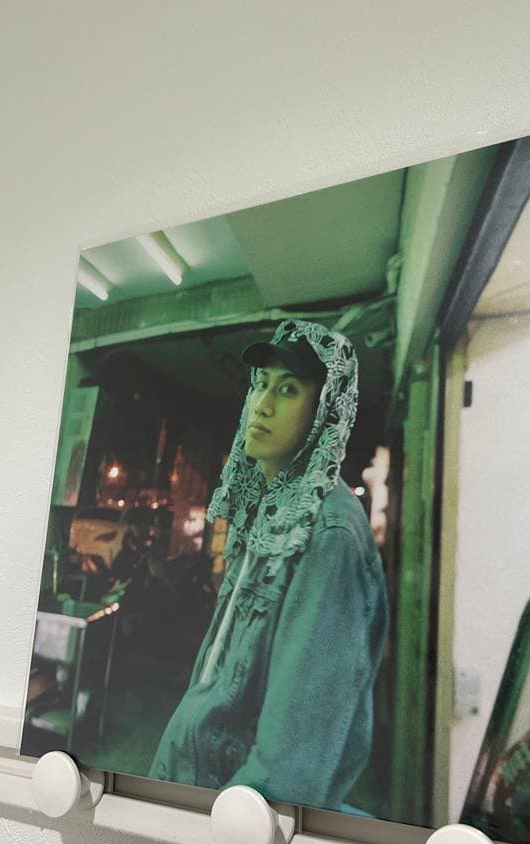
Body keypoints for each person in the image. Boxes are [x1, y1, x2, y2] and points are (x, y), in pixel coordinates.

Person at [147, 318, 389, 811]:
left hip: (232, 817)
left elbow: (290, 764)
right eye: (260, 384)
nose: (261, 404)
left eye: (288, 389)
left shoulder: (327, 534)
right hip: (194, 783)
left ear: (323, 412)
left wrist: (228, 826)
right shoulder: (271, 508)